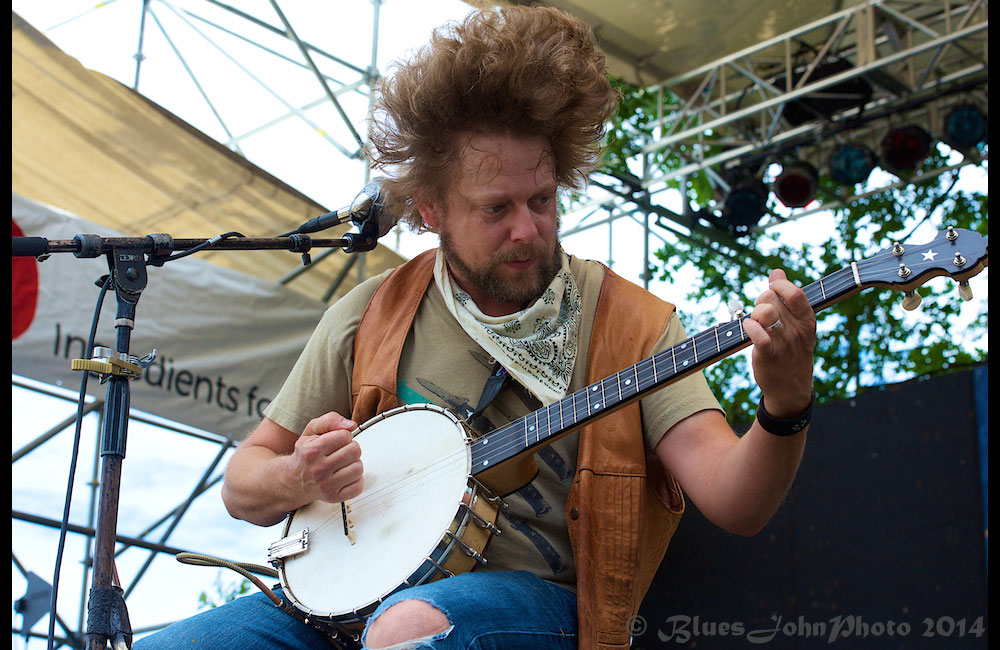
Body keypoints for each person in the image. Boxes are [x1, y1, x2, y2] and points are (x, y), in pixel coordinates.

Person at [137, 6, 815, 650]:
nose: (528, 228)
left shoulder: (634, 325)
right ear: (430, 209)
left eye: (542, 200)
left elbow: (736, 501)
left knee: (411, 630)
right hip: (341, 599)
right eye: (496, 209)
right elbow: (243, 485)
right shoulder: (372, 311)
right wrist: (300, 477)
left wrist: (785, 404)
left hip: (533, 610)